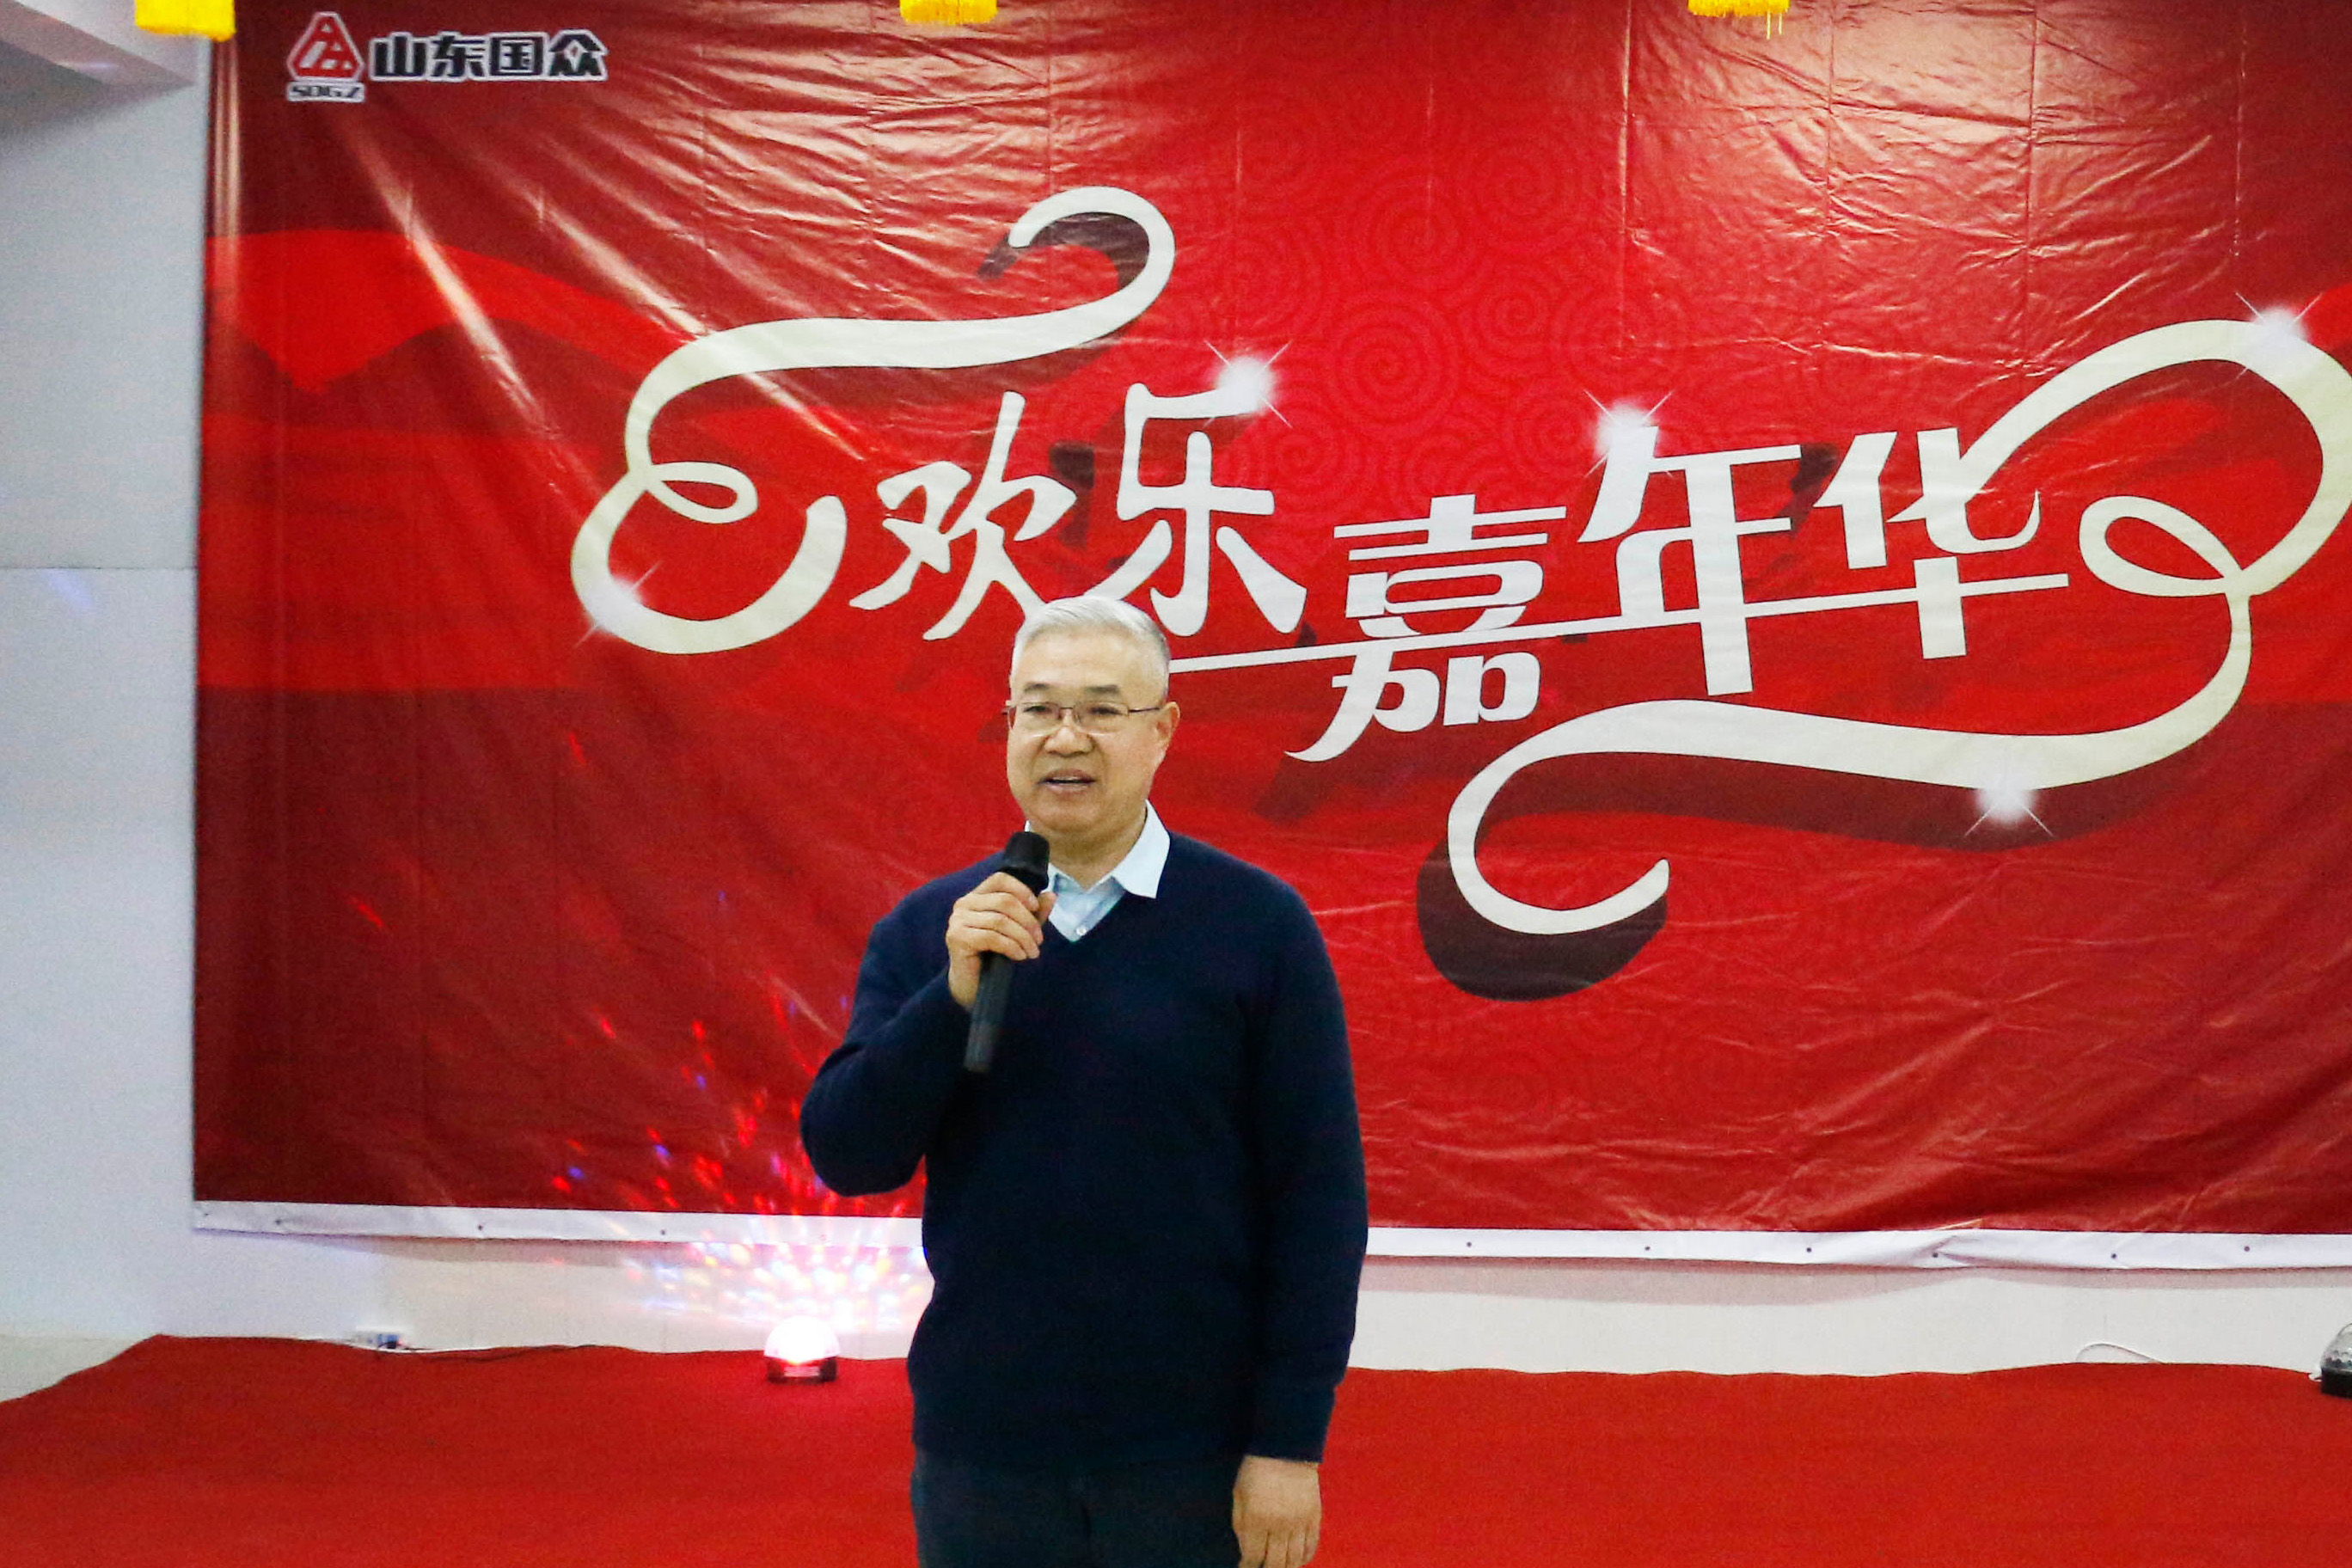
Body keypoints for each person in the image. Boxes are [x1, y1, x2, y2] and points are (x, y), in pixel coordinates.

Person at [800, 595, 1369, 1568]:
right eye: (1039, 709)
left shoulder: (1257, 926)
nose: (1066, 738)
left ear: (1162, 732)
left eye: (1102, 710)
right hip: (986, 1444)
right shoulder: (936, 928)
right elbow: (849, 1155)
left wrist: (1288, 1441)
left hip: (1192, 1450)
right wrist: (951, 997)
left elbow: (1317, 1199)